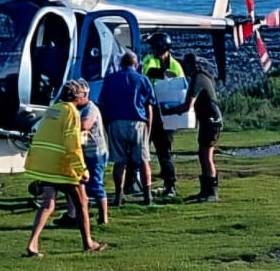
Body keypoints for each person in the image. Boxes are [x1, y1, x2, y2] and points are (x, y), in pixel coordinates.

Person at [24, 80, 107, 257]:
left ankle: (32, 244)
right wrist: (82, 168)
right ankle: (88, 242)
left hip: (46, 164)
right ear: (79, 97)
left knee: (47, 204)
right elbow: (73, 143)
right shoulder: (71, 112)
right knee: (82, 202)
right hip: (62, 165)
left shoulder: (52, 110)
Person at [97, 50, 156, 206]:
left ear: (120, 63)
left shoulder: (110, 80)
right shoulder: (143, 80)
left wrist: (104, 125)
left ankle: (118, 195)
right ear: (135, 64)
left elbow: (102, 104)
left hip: (116, 122)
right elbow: (149, 107)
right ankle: (147, 196)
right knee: (143, 160)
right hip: (137, 121)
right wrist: (148, 129)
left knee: (119, 161)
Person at [164, 53, 224, 202]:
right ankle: (206, 190)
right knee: (203, 154)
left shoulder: (197, 79)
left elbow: (188, 105)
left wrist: (170, 110)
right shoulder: (206, 77)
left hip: (211, 121)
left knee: (206, 156)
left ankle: (211, 192)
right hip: (210, 120)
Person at [52, 96, 110, 227]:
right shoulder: (73, 108)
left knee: (95, 186)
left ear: (84, 95)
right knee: (73, 184)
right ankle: (72, 216)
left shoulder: (91, 108)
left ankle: (103, 218)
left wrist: (67, 124)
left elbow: (85, 125)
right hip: (80, 152)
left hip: (94, 153)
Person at [141, 32, 185, 198]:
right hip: (153, 111)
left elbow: (180, 85)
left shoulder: (174, 65)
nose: (151, 49)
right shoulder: (151, 61)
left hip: (163, 113)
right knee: (143, 151)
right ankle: (136, 183)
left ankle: (170, 185)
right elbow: (146, 72)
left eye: (153, 46)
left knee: (164, 152)